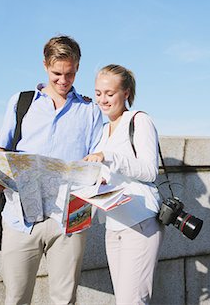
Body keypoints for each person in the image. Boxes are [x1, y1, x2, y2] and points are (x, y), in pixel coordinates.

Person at [0, 35, 103, 305]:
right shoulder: (21, 102)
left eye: (70, 74)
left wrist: (97, 160)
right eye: (56, 73)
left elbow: (99, 160)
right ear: (44, 65)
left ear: (78, 68)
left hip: (71, 218)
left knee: (65, 300)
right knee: (16, 299)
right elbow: (1, 150)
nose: (63, 81)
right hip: (20, 218)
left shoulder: (90, 111)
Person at [84, 64, 164, 305]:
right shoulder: (102, 130)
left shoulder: (139, 120)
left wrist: (109, 157)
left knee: (132, 301)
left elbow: (150, 171)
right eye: (98, 93)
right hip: (113, 224)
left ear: (126, 92)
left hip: (140, 223)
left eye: (110, 93)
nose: (103, 100)